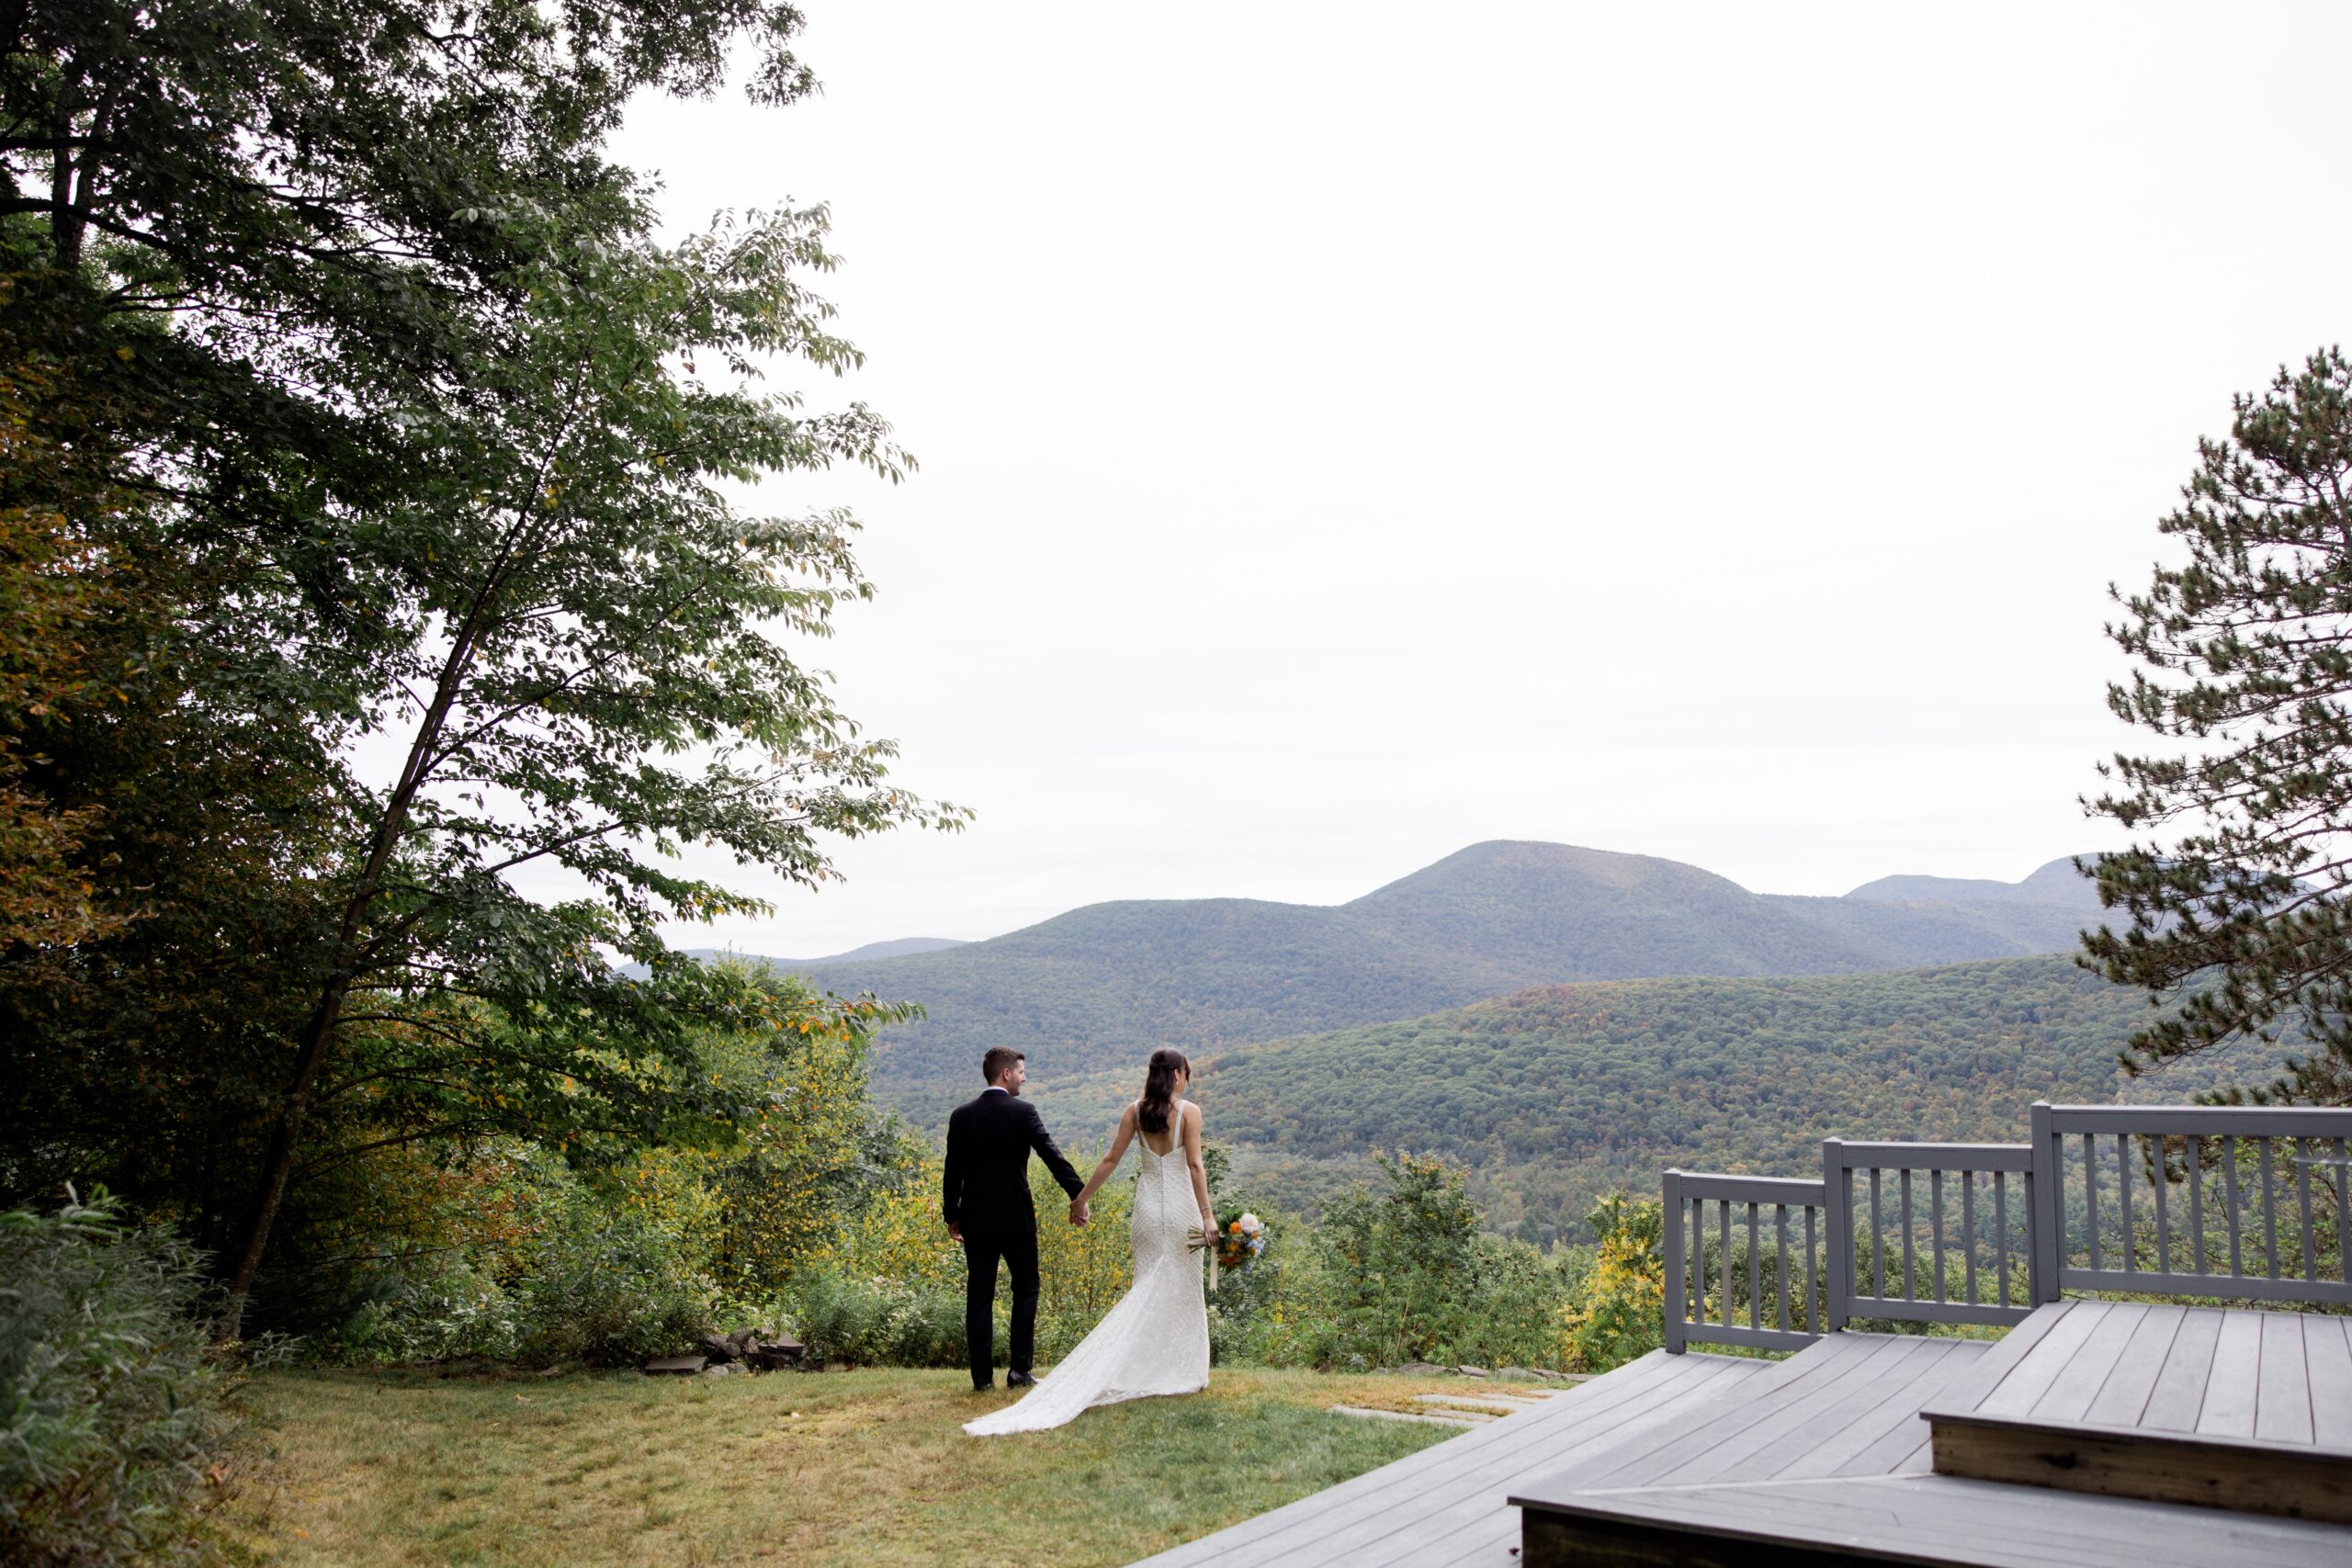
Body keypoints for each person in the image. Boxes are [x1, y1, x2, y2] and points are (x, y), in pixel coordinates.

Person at [963, 1047, 1215, 1437]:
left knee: (1146, 1284)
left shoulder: (1135, 1111)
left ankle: (1143, 1366)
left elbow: (1111, 1160)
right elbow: (1196, 1166)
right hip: (1181, 1211)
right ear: (1179, 1075)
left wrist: (1082, 1198)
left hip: (1147, 1212)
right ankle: (1181, 1370)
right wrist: (1208, 1215)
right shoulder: (1190, 1113)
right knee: (1181, 1289)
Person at [943, 1046, 1086, 1392]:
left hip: (975, 1219)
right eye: (1021, 1072)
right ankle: (1019, 1371)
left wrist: (952, 1214)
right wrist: (1079, 1195)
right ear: (1006, 1074)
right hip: (1016, 1218)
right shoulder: (1023, 1112)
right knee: (1026, 1288)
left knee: (979, 1296)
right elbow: (1052, 1155)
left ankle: (981, 1380)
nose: (1025, 1078)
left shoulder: (961, 1116)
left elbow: (952, 1171)